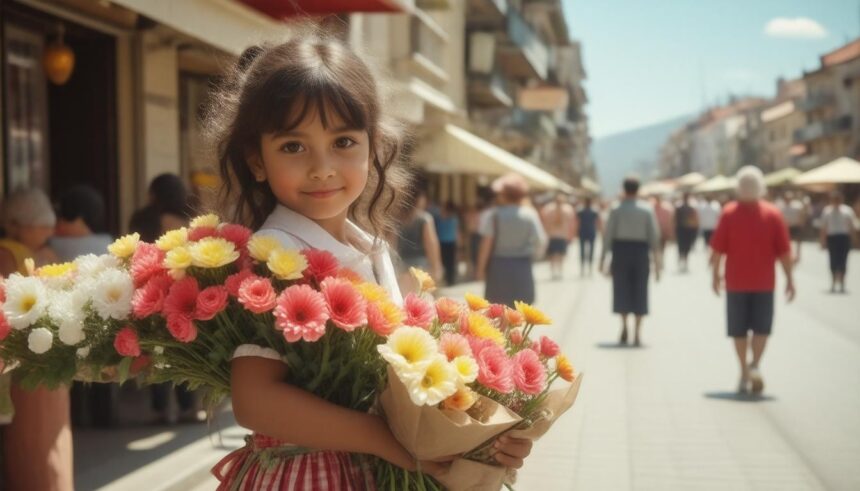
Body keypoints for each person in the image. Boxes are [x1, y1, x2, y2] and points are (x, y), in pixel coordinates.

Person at [205, 34, 534, 488]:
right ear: (255, 160)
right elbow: (255, 400)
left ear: (373, 146)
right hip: (307, 475)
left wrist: (488, 434)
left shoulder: (369, 245)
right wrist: (386, 441)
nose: (322, 167)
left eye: (343, 141)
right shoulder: (278, 254)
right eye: (293, 147)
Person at [0, 188, 73, 491]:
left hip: (31, 360)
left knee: (38, 442)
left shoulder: (14, 252)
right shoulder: (38, 254)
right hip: (43, 358)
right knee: (47, 440)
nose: (45, 229)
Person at [710, 166, 795, 395]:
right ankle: (755, 364)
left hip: (736, 282)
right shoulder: (773, 214)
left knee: (738, 330)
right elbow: (785, 252)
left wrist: (714, 275)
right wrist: (790, 279)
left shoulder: (729, 213)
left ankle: (743, 371)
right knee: (761, 328)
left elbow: (717, 250)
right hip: (764, 282)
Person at [129, 174, 200, 424]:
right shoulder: (187, 221)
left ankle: (159, 409)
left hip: (148, 288)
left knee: (155, 351)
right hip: (179, 288)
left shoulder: (142, 219)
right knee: (183, 346)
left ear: (153, 194)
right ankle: (188, 407)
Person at [50, 185, 118, 428]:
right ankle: (105, 417)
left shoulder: (54, 245)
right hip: (102, 314)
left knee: (71, 368)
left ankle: (76, 418)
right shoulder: (108, 243)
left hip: (65, 315)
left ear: (75, 215)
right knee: (103, 364)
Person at [599, 178, 661, 346]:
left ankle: (625, 325)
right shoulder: (646, 210)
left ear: (624, 189)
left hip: (621, 251)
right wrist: (658, 263)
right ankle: (638, 332)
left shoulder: (616, 209)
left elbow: (608, 236)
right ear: (638, 190)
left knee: (621, 289)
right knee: (641, 290)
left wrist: (602, 258)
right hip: (641, 252)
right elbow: (654, 238)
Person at [476, 173, 547, 307]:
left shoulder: (494, 215)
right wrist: (533, 255)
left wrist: (480, 269)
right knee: (520, 311)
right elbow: (541, 240)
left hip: (498, 267)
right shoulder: (530, 214)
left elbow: (486, 244)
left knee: (498, 311)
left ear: (503, 194)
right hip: (523, 266)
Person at [394, 188, 443, 292]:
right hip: (420, 267)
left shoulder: (396, 219)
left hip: (401, 266)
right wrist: (436, 267)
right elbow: (431, 244)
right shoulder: (424, 218)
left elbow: (392, 244)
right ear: (419, 199)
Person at [819, 191, 857, 293]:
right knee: (833, 260)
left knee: (843, 260)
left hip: (844, 237)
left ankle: (842, 282)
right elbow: (823, 227)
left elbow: (851, 226)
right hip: (832, 237)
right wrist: (822, 241)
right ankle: (833, 282)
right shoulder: (827, 211)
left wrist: (854, 239)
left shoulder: (847, 211)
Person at [540, 193, 575, 280]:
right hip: (559, 235)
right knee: (559, 255)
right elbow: (571, 224)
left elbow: (544, 222)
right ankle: (558, 272)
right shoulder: (567, 209)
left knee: (554, 255)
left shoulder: (548, 208)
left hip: (554, 235)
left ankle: (555, 272)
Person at [776, 191, 807, 263]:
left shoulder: (797, 205)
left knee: (798, 241)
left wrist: (802, 223)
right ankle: (789, 255)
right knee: (787, 242)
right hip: (785, 227)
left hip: (795, 225)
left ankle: (798, 254)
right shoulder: (780, 206)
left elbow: (802, 214)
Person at [435, 201, 460, 286]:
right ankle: (450, 279)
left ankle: (445, 279)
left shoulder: (440, 218)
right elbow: (456, 231)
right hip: (451, 243)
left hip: (442, 242)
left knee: (443, 261)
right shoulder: (454, 218)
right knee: (451, 262)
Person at [576, 197, 601, 276]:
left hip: (584, 232)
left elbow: (577, 222)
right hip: (590, 232)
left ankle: (584, 268)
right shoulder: (593, 211)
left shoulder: (581, 211)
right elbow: (598, 222)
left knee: (583, 250)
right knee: (590, 251)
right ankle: (588, 268)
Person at [675, 193, 699, 272]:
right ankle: (683, 261)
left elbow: (695, 218)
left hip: (686, 229)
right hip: (682, 229)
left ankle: (684, 261)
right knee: (682, 246)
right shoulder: (680, 207)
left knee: (685, 247)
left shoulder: (690, 207)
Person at [652, 195, 674, 262]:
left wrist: (670, 232)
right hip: (655, 232)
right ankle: (658, 260)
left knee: (662, 247)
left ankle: (660, 260)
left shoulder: (666, 209)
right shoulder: (652, 209)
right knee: (656, 248)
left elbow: (669, 222)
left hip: (663, 231)